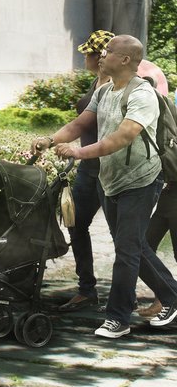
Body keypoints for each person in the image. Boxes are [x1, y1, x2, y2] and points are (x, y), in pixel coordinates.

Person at [34, 33, 177, 338]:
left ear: (125, 59)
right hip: (109, 180)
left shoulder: (142, 95)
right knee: (132, 246)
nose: (102, 55)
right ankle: (173, 296)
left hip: (140, 180)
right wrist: (50, 140)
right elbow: (79, 124)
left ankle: (118, 318)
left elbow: (122, 137)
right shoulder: (105, 91)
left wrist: (78, 152)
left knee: (126, 250)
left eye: (109, 51)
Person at [56, 30, 112, 313]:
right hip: (89, 169)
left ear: (101, 56)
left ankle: (160, 293)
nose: (85, 56)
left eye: (89, 52)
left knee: (125, 237)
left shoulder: (118, 86)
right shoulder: (96, 82)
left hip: (111, 171)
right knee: (75, 223)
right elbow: (79, 124)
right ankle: (87, 289)